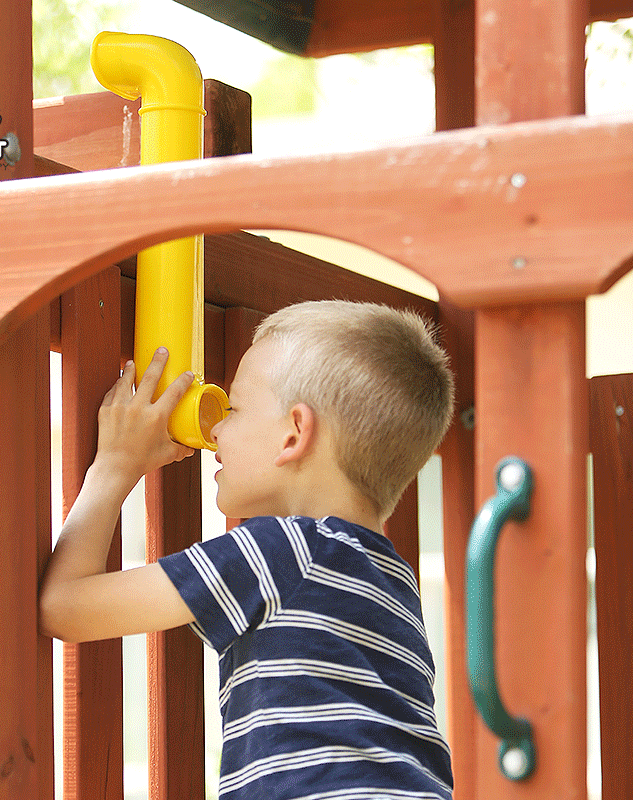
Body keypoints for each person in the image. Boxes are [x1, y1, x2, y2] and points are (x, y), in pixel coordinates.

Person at [39, 300, 455, 800]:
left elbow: (63, 607)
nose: (215, 431)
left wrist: (114, 467)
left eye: (233, 409)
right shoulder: (392, 579)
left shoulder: (280, 552)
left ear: (294, 434)